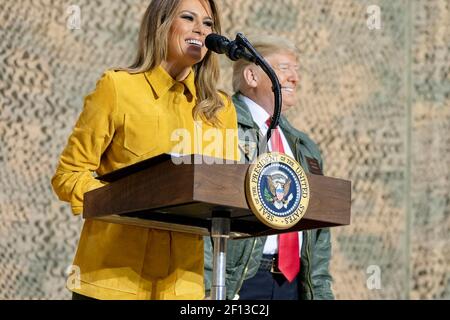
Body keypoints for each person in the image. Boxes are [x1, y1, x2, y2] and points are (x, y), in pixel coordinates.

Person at [52, 0, 239, 300]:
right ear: (160, 25)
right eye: (188, 18)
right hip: (111, 280)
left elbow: (223, 196)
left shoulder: (220, 109)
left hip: (182, 288)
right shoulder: (117, 87)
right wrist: (127, 198)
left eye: (208, 24)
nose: (200, 30)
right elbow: (68, 176)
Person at [204, 35, 334, 300]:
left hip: (293, 284)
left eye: (297, 71)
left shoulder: (304, 146)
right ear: (252, 77)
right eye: (284, 69)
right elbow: (206, 207)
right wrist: (206, 288)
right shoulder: (221, 127)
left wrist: (319, 293)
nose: (295, 78)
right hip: (242, 281)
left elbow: (318, 233)